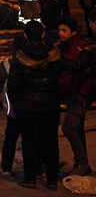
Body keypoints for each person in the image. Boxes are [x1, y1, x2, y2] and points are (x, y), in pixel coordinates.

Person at [7, 21, 62, 190]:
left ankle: (30, 178)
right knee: (51, 141)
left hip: (27, 106)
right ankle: (52, 179)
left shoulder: (20, 58)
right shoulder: (54, 56)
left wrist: (15, 103)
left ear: (25, 35)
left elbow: (13, 85)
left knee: (29, 143)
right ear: (43, 35)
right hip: (51, 106)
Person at [57, 16, 93, 176]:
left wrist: (83, 93)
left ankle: (82, 161)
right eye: (60, 30)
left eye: (64, 30)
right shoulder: (63, 47)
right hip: (71, 94)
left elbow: (81, 70)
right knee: (77, 127)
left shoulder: (81, 49)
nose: (60, 33)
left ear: (74, 32)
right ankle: (82, 163)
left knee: (69, 126)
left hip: (80, 94)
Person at [0, 37, 24, 176]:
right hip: (32, 107)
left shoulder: (7, 64)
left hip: (13, 108)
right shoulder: (40, 61)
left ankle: (6, 167)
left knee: (11, 136)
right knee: (31, 138)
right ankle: (35, 170)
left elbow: (0, 85)